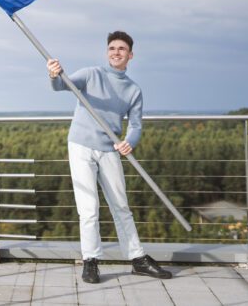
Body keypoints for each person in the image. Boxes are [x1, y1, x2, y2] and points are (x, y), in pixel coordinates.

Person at [47, 30, 172, 283]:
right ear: (107, 52)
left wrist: (129, 142)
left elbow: (135, 125)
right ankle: (90, 261)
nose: (116, 52)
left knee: (121, 206)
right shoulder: (92, 74)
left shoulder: (133, 90)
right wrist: (54, 74)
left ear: (130, 55)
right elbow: (62, 85)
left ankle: (137, 259)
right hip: (81, 146)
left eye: (122, 49)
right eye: (112, 48)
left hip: (110, 149)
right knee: (89, 208)